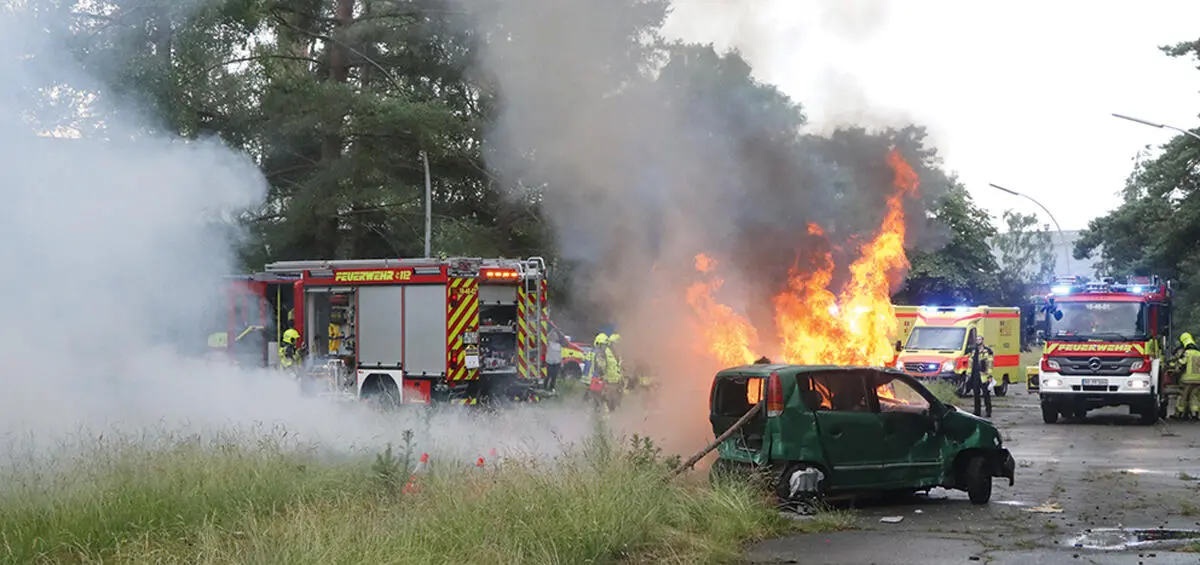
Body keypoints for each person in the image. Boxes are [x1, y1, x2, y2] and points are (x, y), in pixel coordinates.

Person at [1173, 332, 1200, 419]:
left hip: (1186, 380)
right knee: (1194, 396)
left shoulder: (1187, 353)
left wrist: (1176, 369)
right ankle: (1195, 413)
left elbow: (1181, 364)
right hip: (1198, 380)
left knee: (1182, 396)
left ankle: (1180, 413)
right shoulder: (1198, 353)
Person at [970, 334, 995, 418]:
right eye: (977, 340)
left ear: (982, 341)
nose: (978, 341)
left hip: (984, 376)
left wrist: (990, 375)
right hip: (976, 375)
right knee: (976, 394)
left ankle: (988, 411)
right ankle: (977, 411)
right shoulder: (974, 351)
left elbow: (990, 364)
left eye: (979, 339)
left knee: (986, 394)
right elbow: (971, 363)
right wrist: (969, 374)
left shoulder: (987, 351)